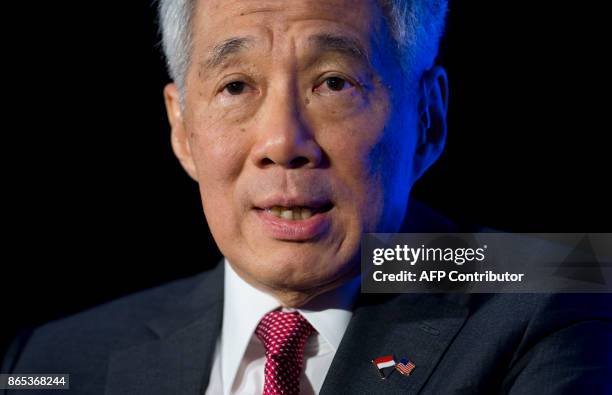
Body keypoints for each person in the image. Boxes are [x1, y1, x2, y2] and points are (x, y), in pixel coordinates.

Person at [2, 0, 610, 394]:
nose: (282, 142)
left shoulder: (555, 287)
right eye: (236, 85)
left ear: (427, 118)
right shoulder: (57, 359)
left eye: (334, 83)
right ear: (181, 128)